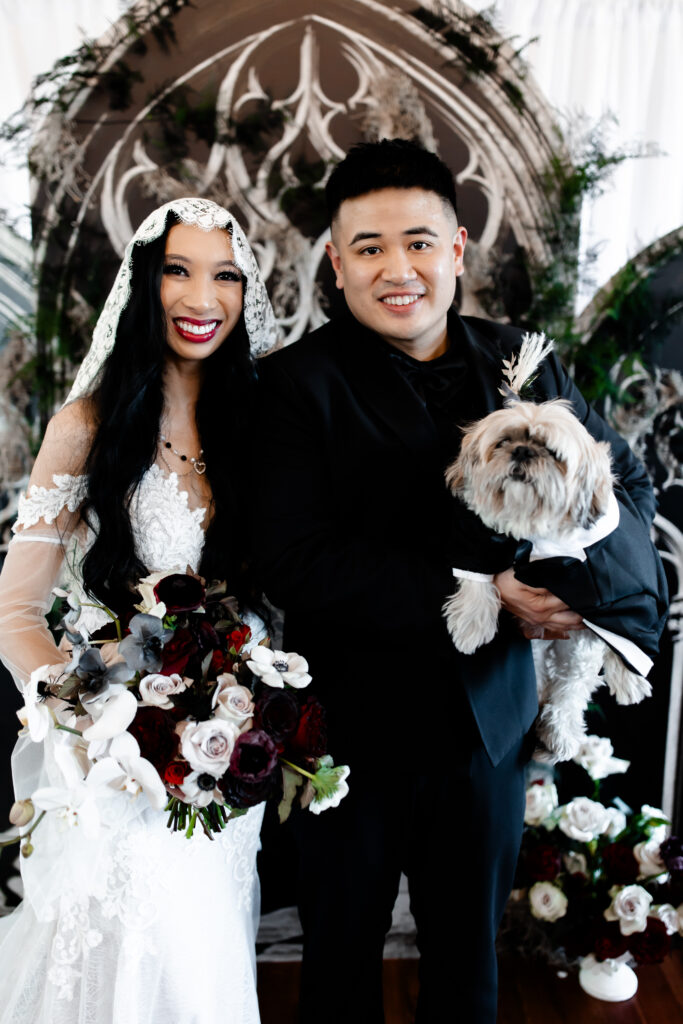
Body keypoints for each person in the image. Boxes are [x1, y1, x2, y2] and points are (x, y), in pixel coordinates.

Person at [252, 140, 666, 1023]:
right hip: (346, 733)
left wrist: (589, 600)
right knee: (337, 971)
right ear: (335, 260)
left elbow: (623, 483)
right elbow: (292, 560)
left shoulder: (525, 358)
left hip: (489, 731)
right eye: (367, 248)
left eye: (416, 242)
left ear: (456, 247)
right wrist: (482, 587)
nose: (395, 269)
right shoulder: (292, 386)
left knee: (467, 972)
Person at [0, 197, 278, 1023]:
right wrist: (93, 720)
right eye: (179, 272)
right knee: (118, 956)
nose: (203, 298)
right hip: (111, 753)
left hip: (224, 749)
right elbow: (14, 608)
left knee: (201, 952)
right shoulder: (87, 424)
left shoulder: (259, 423)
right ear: (145, 285)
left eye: (225, 275)